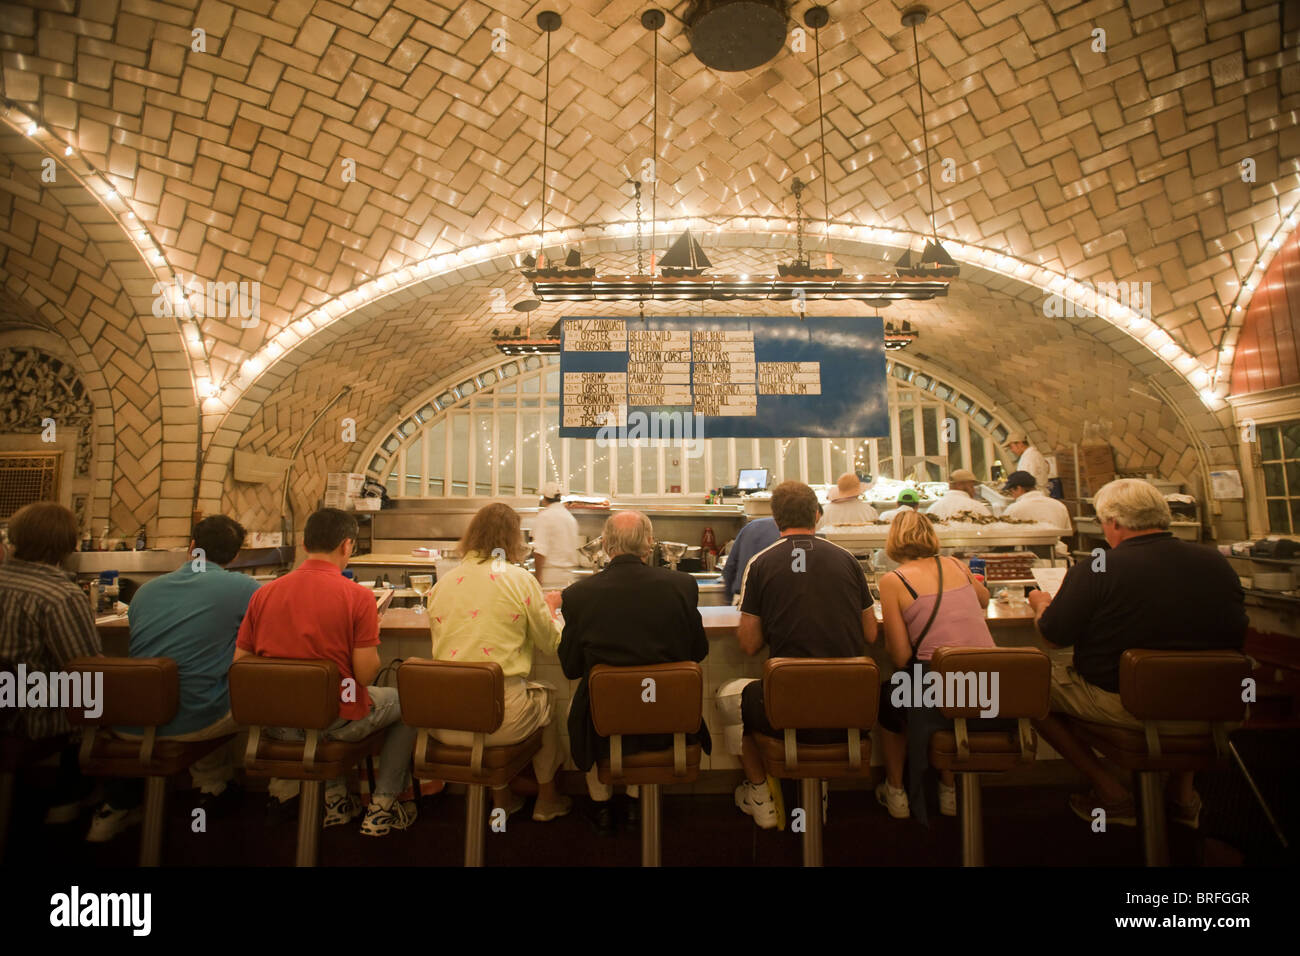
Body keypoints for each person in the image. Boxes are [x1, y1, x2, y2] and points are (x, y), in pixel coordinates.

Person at [1027, 479, 1248, 828]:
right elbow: (1236, 633)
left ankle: (1110, 792)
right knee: (1189, 678)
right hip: (1217, 703)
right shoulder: (1216, 563)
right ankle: (1182, 793)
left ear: (1114, 523)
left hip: (1126, 705)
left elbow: (1054, 638)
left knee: (1027, 687)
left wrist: (1041, 605)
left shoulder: (1098, 568)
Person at [235, 508, 418, 837]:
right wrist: (369, 631)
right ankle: (382, 805)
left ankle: (336, 799)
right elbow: (363, 675)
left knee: (326, 701)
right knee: (408, 703)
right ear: (347, 546)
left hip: (276, 726)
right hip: (334, 720)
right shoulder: (358, 597)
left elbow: (241, 665)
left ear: (305, 545)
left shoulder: (263, 593)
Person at [87, 515, 259, 842]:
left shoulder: (147, 591)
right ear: (236, 556)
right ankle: (213, 791)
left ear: (192, 547)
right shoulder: (246, 589)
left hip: (130, 720)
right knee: (236, 693)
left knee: (203, 681)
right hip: (196, 717)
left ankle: (125, 804)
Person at [734, 481, 876, 829]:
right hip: (850, 704)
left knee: (736, 700)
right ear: (817, 514)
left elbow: (749, 644)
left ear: (775, 518)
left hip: (788, 706)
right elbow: (871, 634)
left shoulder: (761, 562)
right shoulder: (847, 560)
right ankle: (819, 789)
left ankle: (760, 794)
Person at [559, 511, 710, 835]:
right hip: (667, 714)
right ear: (649, 543)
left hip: (603, 722)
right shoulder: (682, 585)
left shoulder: (577, 595)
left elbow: (571, 668)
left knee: (580, 706)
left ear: (606, 545)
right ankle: (633, 801)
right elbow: (698, 652)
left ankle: (600, 806)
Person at [427, 503, 571, 822]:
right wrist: (549, 609)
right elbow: (551, 643)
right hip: (501, 721)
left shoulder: (442, 584)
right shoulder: (519, 580)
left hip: (443, 722)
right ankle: (547, 799)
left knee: (492, 697)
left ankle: (502, 799)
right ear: (512, 540)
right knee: (547, 698)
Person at [874, 509, 994, 821]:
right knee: (956, 703)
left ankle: (897, 790)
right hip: (989, 690)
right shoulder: (956, 564)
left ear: (893, 540)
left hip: (936, 694)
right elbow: (984, 598)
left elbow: (900, 657)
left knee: (886, 700)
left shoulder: (893, 580)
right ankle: (948, 788)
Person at [0, 502, 100, 824]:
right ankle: (72, 798)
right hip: (22, 718)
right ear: (67, 545)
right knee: (99, 699)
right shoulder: (59, 595)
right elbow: (85, 671)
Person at [530, 482, 580, 590]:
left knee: (550, 607)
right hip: (569, 577)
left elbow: (540, 551)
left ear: (544, 498)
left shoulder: (544, 517)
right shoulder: (570, 518)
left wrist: (538, 578)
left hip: (550, 578)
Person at [719, 516, 779, 603]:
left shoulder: (751, 526)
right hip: (773, 602)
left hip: (742, 598)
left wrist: (729, 599)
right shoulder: (792, 534)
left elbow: (730, 567)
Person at [1002, 471, 1072, 530]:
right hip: (1058, 545)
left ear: (1019, 488)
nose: (1012, 496)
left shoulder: (1014, 509)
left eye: (1011, 491)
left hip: (1026, 546)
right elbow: (1067, 533)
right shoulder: (1059, 506)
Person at [924, 468, 993, 521]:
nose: (974, 491)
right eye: (972, 486)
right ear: (960, 485)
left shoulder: (933, 508)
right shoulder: (976, 506)